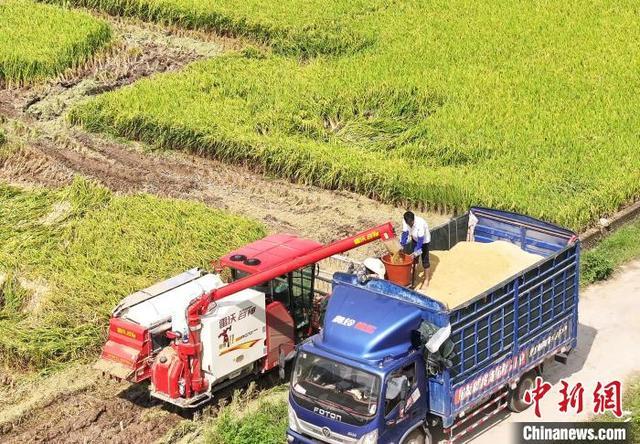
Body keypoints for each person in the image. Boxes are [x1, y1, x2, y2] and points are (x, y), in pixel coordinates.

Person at [400, 211, 431, 287]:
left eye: (411, 223)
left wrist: (416, 252)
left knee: (425, 260)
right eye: (408, 223)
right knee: (414, 259)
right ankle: (414, 276)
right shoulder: (405, 221)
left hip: (424, 241)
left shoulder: (420, 223)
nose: (410, 225)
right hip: (414, 239)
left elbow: (420, 241)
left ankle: (426, 280)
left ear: (414, 220)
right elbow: (405, 233)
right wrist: (402, 244)